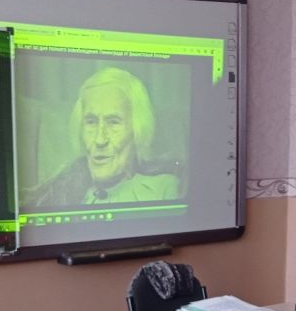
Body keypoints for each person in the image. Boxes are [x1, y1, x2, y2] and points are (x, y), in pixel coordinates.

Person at [25, 66, 182, 209]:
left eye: (113, 122)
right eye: (91, 122)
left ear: (137, 130)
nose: (100, 140)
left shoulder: (165, 190)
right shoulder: (59, 194)